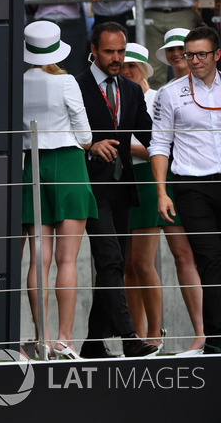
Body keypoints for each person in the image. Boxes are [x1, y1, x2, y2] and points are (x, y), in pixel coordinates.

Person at [74, 22, 159, 358]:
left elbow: (152, 137)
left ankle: (94, 342)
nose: (116, 58)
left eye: (121, 51)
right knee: (109, 258)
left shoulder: (132, 89)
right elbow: (62, 133)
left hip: (124, 187)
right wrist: (90, 145)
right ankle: (128, 336)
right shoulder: (76, 86)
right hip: (91, 186)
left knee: (116, 262)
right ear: (93, 50)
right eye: (109, 51)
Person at [21, 21, 97, 360]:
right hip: (67, 163)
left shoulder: (18, 82)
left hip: (31, 165)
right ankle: (65, 339)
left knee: (40, 258)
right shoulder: (65, 81)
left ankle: (44, 338)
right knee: (68, 259)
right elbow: (85, 135)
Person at [150, 26, 221, 354]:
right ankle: (215, 341)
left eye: (201, 54)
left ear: (217, 54)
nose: (193, 60)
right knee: (209, 261)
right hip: (192, 186)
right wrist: (162, 192)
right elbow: (160, 144)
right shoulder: (170, 93)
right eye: (189, 54)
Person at [119, 43, 166, 351]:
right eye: (123, 66)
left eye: (131, 66)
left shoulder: (155, 98)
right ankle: (135, 337)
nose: (126, 71)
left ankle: (155, 333)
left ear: (144, 70)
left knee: (143, 262)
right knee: (127, 266)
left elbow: (158, 146)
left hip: (148, 179)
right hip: (123, 179)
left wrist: (122, 145)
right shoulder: (117, 98)